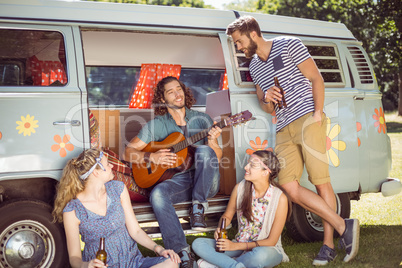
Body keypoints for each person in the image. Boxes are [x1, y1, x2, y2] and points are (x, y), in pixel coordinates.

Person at [226, 16, 360, 266]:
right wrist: (267, 96)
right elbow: (267, 107)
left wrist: (318, 114)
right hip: (284, 127)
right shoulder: (254, 65)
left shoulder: (289, 44)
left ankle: (328, 244)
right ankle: (344, 225)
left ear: (253, 34)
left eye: (239, 41)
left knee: (321, 182)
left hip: (308, 118)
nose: (238, 47)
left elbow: (316, 79)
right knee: (288, 185)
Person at [124, 76, 222, 268]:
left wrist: (211, 141)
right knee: (158, 194)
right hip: (181, 181)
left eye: (179, 89)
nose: (178, 94)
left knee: (203, 150)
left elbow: (216, 159)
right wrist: (151, 158)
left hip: (207, 180)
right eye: (171, 91)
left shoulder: (203, 120)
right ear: (163, 99)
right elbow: (128, 152)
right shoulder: (158, 125)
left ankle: (198, 206)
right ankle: (180, 253)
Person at [52, 148, 180, 268]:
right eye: (107, 165)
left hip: (133, 262)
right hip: (104, 266)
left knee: (171, 263)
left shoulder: (118, 189)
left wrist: (159, 249)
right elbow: (74, 258)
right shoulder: (72, 210)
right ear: (96, 173)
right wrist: (86, 265)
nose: (112, 166)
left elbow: (135, 231)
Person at [192, 150, 290, 268]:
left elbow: (271, 241)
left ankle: (221, 263)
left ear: (266, 172)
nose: (246, 167)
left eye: (252, 165)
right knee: (198, 243)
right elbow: (227, 215)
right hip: (239, 244)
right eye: (248, 163)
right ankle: (235, 265)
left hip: (267, 249)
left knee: (260, 256)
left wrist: (235, 247)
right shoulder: (240, 188)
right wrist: (220, 228)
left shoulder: (280, 198)